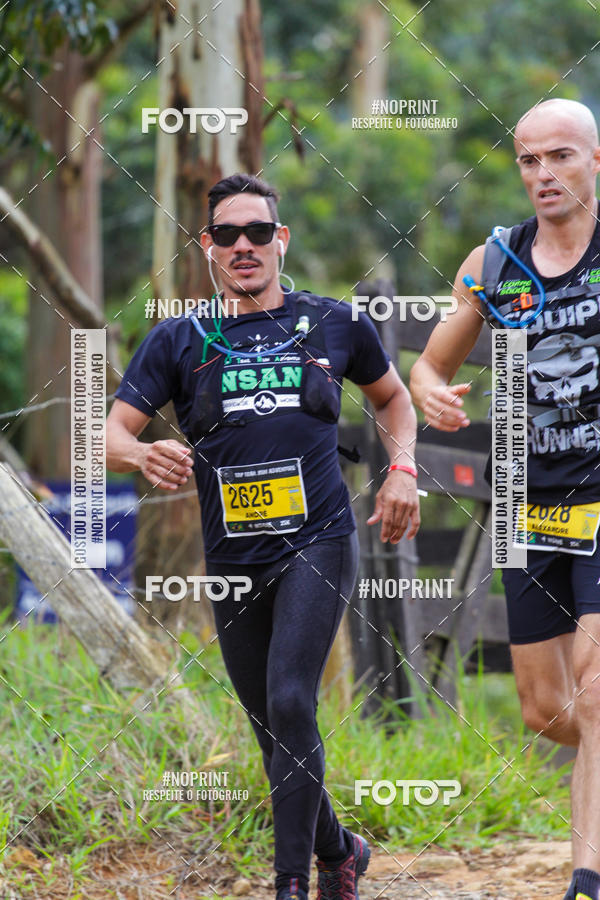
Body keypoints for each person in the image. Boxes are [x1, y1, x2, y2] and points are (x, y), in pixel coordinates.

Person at [106, 173, 420, 900]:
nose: (242, 246)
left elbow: (394, 400)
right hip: (233, 553)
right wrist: (139, 452)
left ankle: (290, 884)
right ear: (206, 248)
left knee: (288, 699)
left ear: (281, 240)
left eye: (257, 232)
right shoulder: (178, 338)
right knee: (269, 724)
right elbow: (108, 433)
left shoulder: (335, 323)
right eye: (226, 235)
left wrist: (403, 467)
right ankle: (340, 850)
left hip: (317, 537)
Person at [410, 99, 600, 900]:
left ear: (595, 160)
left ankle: (585, 876)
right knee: (548, 708)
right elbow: (428, 366)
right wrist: (431, 395)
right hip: (527, 496)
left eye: (560, 156)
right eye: (529, 160)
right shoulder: (494, 264)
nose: (544, 174)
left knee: (596, 692)